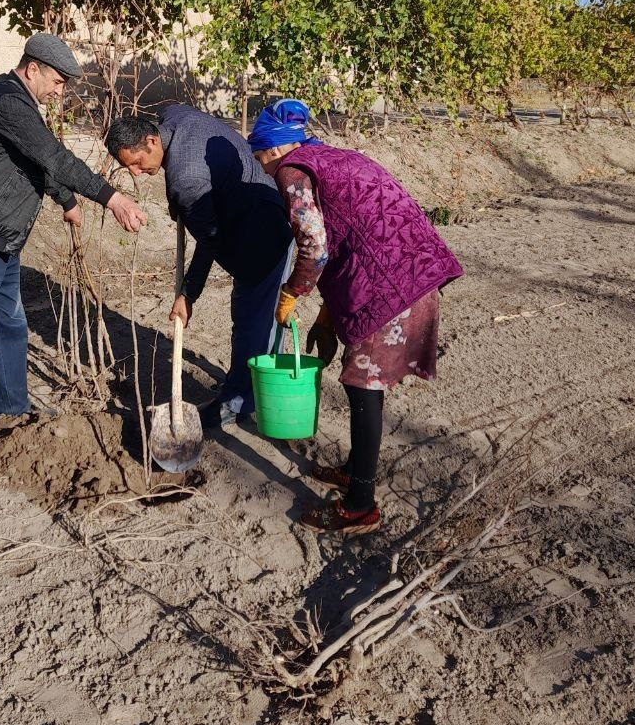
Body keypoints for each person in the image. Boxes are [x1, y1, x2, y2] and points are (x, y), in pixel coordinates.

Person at [0, 34, 147, 469]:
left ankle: (10, 408)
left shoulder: (21, 107)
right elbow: (52, 155)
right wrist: (112, 197)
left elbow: (34, 161)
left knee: (8, 326)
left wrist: (66, 200)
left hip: (0, 239)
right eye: (58, 81)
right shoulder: (7, 101)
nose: (60, 90)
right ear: (33, 69)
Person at [248, 99, 463, 536]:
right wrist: (328, 318)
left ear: (270, 150)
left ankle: (360, 506)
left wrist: (292, 294)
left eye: (259, 160)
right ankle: (353, 470)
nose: (265, 172)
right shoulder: (333, 156)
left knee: (363, 385)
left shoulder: (293, 170)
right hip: (414, 272)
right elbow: (352, 235)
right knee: (363, 382)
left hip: (391, 288)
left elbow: (315, 247)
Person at [106, 105, 293, 429]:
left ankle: (237, 403)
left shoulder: (187, 179)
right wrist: (178, 204)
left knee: (252, 321)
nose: (136, 172)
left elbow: (210, 242)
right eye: (128, 168)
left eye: (137, 163)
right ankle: (248, 385)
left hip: (263, 236)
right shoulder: (174, 118)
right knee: (255, 318)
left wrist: (187, 295)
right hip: (258, 204)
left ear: (152, 140)